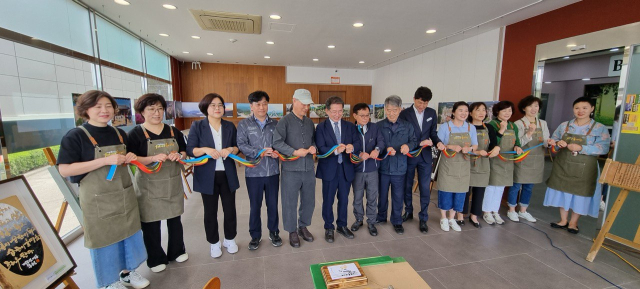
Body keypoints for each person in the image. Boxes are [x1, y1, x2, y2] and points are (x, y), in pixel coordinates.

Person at [58, 90, 149, 289]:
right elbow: (64, 169)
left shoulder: (119, 133)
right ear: (85, 110)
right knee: (104, 239)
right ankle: (109, 282)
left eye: (108, 106)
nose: (104, 110)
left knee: (129, 233)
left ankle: (128, 273)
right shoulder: (76, 136)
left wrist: (129, 158)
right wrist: (104, 160)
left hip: (123, 193)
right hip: (98, 198)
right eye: (97, 106)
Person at [127, 94, 188, 273]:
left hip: (172, 183)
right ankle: (155, 258)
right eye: (151, 109)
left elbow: (184, 152)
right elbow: (131, 159)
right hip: (148, 186)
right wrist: (152, 158)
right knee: (151, 223)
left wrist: (180, 156)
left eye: (160, 108)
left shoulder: (173, 131)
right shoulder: (136, 134)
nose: (156, 113)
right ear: (142, 112)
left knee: (175, 219)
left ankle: (177, 250)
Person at [544, 97, 610, 234]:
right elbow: (554, 141)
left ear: (592, 109)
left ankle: (573, 223)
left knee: (580, 194)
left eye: (584, 108)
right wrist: (556, 143)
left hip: (585, 168)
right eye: (577, 108)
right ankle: (563, 220)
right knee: (562, 190)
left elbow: (603, 148)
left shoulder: (599, 128)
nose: (580, 111)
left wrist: (582, 148)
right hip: (563, 165)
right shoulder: (564, 125)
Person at [187, 93, 240, 258]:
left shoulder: (230, 126)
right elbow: (191, 150)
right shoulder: (197, 126)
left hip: (227, 174)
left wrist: (230, 150)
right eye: (213, 105)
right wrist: (205, 150)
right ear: (205, 108)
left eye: (220, 105)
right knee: (210, 212)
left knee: (230, 209)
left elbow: (238, 147)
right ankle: (214, 242)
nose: (217, 108)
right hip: (207, 175)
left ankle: (230, 239)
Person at [236, 91, 282, 250]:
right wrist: (260, 151)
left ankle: (274, 232)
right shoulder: (244, 124)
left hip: (273, 172)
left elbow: (280, 143)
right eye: (258, 104)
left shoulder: (276, 124)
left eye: (264, 104)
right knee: (255, 206)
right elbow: (241, 145)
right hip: (253, 173)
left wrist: (277, 151)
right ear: (251, 106)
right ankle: (255, 236)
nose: (261, 107)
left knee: (273, 204)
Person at [272, 89, 318, 247]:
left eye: (308, 104)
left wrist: (313, 147)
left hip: (308, 169)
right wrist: (294, 151)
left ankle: (303, 227)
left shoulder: (309, 122)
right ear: (294, 101)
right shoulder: (284, 121)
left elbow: (314, 141)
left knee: (309, 201)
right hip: (291, 169)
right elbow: (277, 143)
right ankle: (292, 231)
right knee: (290, 201)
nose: (306, 107)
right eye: (303, 104)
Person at [399, 87, 445, 233]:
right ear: (414, 99)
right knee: (407, 186)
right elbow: (403, 136)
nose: (422, 106)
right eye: (420, 102)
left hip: (425, 157)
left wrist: (438, 142)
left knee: (425, 187)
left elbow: (432, 133)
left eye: (425, 103)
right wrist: (419, 143)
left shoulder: (431, 113)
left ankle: (423, 217)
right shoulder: (405, 114)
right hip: (410, 155)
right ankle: (408, 211)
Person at [315, 96, 360, 242]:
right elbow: (321, 148)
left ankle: (342, 225)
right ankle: (329, 227)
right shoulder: (321, 127)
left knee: (344, 199)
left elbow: (357, 143)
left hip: (346, 169)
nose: (337, 114)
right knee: (328, 200)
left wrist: (352, 147)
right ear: (327, 111)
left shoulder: (350, 126)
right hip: (329, 169)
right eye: (334, 111)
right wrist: (336, 150)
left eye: (340, 111)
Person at [377, 95, 418, 235]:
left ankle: (397, 221)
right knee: (382, 195)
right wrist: (384, 149)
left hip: (400, 168)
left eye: (394, 110)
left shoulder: (407, 126)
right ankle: (381, 217)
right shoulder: (379, 126)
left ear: (400, 109)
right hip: (383, 167)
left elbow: (414, 141)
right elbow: (376, 144)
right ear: (385, 109)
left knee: (398, 196)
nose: (391, 113)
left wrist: (408, 146)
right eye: (388, 110)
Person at [506, 95, 550, 223]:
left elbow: (546, 141)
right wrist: (529, 133)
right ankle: (511, 210)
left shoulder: (543, 123)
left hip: (537, 159)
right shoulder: (518, 124)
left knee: (529, 187)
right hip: (522, 159)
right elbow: (518, 143)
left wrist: (550, 142)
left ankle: (523, 210)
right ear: (524, 108)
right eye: (530, 106)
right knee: (516, 185)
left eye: (536, 106)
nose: (533, 109)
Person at [436, 102, 478, 232]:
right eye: (460, 110)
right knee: (446, 191)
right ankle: (443, 218)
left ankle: (452, 218)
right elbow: (439, 144)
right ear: (453, 112)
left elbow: (475, 146)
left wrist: (469, 148)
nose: (464, 113)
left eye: (466, 111)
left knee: (459, 193)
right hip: (448, 165)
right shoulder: (445, 127)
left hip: (463, 165)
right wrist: (450, 146)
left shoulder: (471, 128)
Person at [457, 102, 499, 228]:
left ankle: (474, 215)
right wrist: (475, 151)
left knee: (480, 190)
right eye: (478, 110)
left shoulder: (489, 128)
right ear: (471, 113)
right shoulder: (465, 127)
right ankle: (460, 214)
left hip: (483, 163)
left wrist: (496, 148)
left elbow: (493, 144)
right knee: (464, 190)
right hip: (467, 161)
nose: (481, 113)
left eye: (483, 110)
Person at [482, 101, 523, 225]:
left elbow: (517, 141)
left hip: (508, 161)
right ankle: (487, 212)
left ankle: (495, 211)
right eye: (504, 110)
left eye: (509, 111)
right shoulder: (491, 125)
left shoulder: (513, 126)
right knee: (491, 186)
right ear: (497, 112)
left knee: (500, 187)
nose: (507, 113)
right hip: (495, 160)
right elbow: (492, 143)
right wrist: (502, 129)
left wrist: (517, 147)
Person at [351, 103, 385, 236]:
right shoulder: (351, 129)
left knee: (372, 197)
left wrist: (377, 150)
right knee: (357, 197)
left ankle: (371, 221)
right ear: (355, 115)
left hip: (372, 169)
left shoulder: (374, 127)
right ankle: (359, 219)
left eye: (367, 115)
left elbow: (381, 142)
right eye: (362, 116)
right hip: (357, 170)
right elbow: (350, 147)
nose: (366, 118)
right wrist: (358, 154)